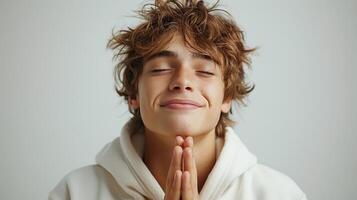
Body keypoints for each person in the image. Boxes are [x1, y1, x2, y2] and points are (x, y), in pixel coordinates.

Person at [49, 0, 308, 199]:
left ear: (226, 96)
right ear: (133, 94)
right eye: (161, 68)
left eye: (205, 71)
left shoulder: (278, 194)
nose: (182, 81)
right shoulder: (76, 191)